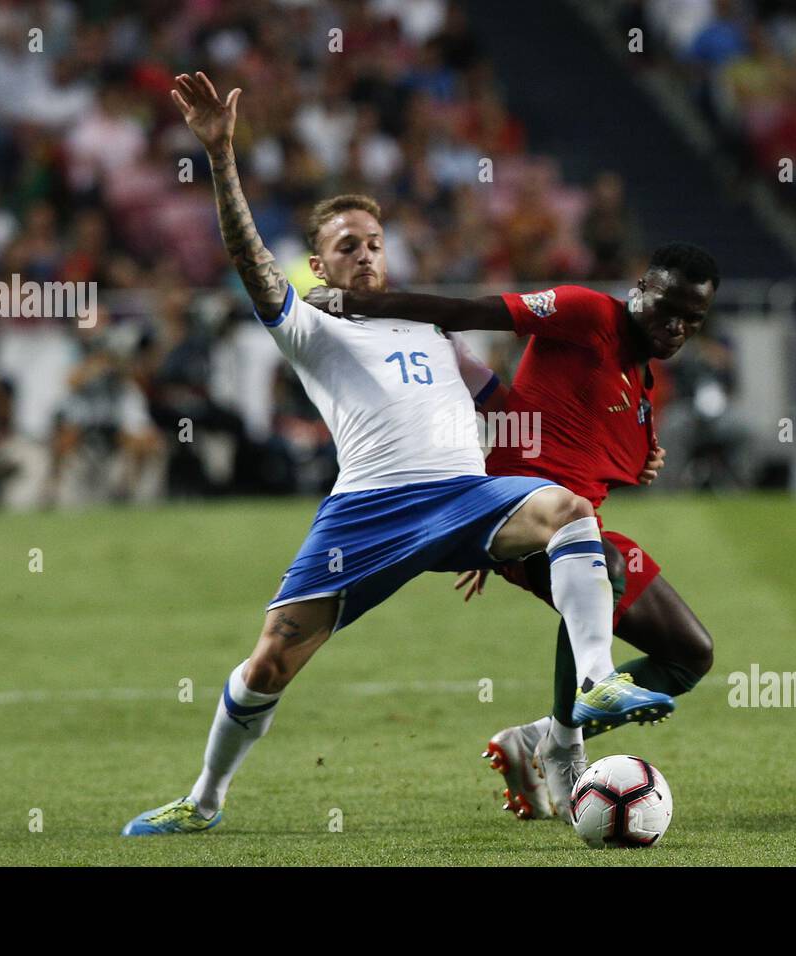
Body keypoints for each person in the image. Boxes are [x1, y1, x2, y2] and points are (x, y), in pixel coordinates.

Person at [122, 73, 670, 835]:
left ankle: (599, 682)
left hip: (462, 497)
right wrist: (220, 157)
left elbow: (510, 417)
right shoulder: (313, 326)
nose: (367, 256)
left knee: (568, 511)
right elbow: (253, 268)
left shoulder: (431, 331)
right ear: (319, 261)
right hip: (369, 512)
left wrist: (620, 451)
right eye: (347, 247)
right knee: (270, 662)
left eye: (375, 244)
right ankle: (204, 800)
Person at [304, 243, 719, 819]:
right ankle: (567, 749)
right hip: (527, 518)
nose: (675, 327)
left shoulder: (642, 389)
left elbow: (552, 436)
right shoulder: (585, 313)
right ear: (639, 288)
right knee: (610, 565)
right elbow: (467, 311)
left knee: (690, 657)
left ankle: (538, 738)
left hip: (567, 526)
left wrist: (641, 460)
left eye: (691, 319)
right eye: (665, 308)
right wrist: (355, 302)